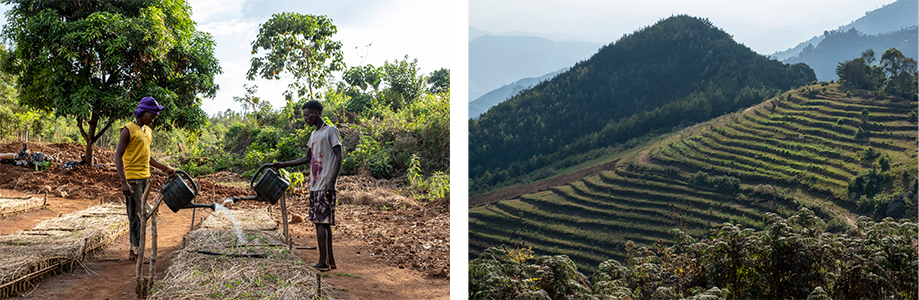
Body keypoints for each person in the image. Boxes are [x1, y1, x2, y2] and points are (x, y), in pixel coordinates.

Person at [271, 100, 342, 271]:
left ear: (316, 114)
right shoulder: (313, 135)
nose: (305, 119)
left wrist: (332, 181)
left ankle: (323, 263)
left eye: (307, 115)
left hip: (325, 183)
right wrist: (283, 164)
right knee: (323, 222)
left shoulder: (331, 131)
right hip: (315, 183)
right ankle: (330, 261)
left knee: (320, 222)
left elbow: (339, 156)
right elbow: (306, 158)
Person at [115, 97, 175, 261]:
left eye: (155, 117)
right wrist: (124, 182)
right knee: (139, 215)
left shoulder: (147, 131)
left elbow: (147, 157)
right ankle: (137, 251)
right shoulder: (128, 130)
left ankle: (134, 251)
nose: (153, 119)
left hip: (145, 179)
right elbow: (118, 157)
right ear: (142, 112)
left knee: (138, 215)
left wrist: (165, 168)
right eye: (152, 115)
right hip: (132, 179)